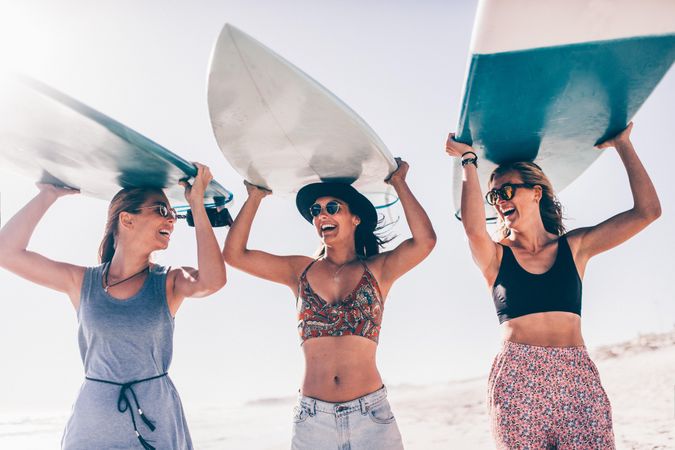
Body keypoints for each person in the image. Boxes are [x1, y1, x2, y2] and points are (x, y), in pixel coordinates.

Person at [445, 122, 661, 449]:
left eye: (507, 191)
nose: (500, 200)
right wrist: (468, 161)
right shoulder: (496, 256)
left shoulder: (575, 247)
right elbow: (474, 230)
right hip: (518, 377)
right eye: (494, 196)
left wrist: (623, 145)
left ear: (536, 192)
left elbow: (647, 212)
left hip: (576, 375)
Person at [0, 164, 227, 450]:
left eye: (173, 214)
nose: (171, 219)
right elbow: (6, 252)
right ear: (127, 219)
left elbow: (213, 280)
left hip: (155, 422)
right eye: (161, 210)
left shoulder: (169, 281)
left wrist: (197, 204)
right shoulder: (82, 282)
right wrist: (49, 194)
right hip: (93, 425)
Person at [223, 158, 435, 449]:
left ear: (355, 218)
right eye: (316, 211)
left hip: (370, 415)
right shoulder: (300, 271)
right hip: (313, 419)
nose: (322, 215)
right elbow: (235, 255)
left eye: (332, 208)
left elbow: (425, 241)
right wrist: (255, 197)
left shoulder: (378, 270)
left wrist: (399, 183)